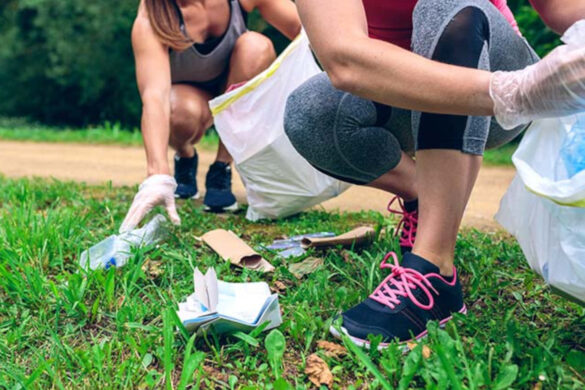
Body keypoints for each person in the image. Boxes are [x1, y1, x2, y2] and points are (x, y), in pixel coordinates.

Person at [285, 0, 585, 347]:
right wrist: (513, 94)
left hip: (491, 63)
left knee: (442, 3)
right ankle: (424, 197)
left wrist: (531, 84)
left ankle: (433, 265)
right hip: (419, 89)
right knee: (310, 115)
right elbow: (344, 59)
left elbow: (564, 8)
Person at [120, 0, 300, 232]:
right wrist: (157, 175)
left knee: (257, 46)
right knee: (177, 111)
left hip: (235, 87)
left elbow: (304, 31)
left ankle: (221, 169)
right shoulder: (151, 18)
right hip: (189, 98)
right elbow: (155, 96)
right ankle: (185, 157)